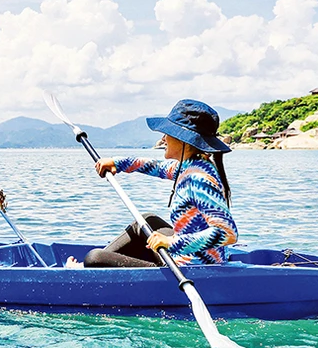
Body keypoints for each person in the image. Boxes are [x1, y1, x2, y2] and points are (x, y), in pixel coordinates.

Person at [77, 99, 237, 268]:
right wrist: (118, 162)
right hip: (186, 255)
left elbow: (226, 232)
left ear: (184, 140)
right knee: (147, 220)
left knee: (93, 258)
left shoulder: (199, 178)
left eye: (168, 133)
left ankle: (86, 269)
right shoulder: (190, 165)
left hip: (191, 268)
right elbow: (158, 167)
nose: (163, 138)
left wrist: (171, 242)